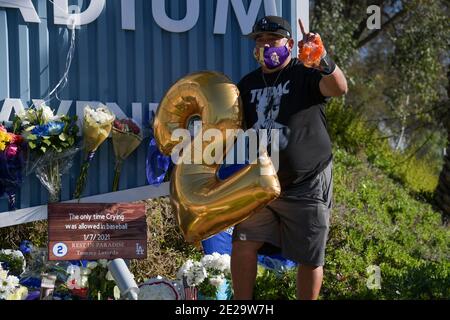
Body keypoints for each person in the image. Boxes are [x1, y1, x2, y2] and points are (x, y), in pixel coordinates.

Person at [231, 16, 348, 300]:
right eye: (259, 40)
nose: (265, 45)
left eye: (272, 40)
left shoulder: (305, 74)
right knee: (243, 243)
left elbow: (339, 88)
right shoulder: (246, 84)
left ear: (290, 44)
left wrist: (323, 59)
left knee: (309, 257)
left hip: (307, 183)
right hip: (263, 185)